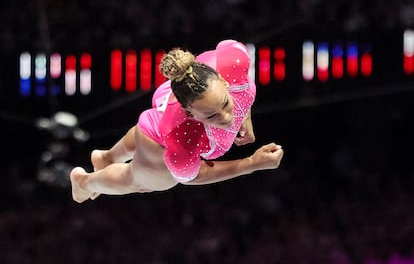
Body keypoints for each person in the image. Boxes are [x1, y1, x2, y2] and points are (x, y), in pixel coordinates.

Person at [70, 39, 284, 203]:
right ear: (190, 114)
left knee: (206, 110)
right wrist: (252, 164)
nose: (227, 118)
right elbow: (193, 176)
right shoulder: (181, 139)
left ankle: (106, 157)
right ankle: (83, 182)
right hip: (157, 136)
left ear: (223, 80)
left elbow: (228, 45)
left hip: (180, 94)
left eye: (226, 104)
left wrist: (244, 116)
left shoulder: (235, 63)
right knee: (139, 181)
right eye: (211, 116)